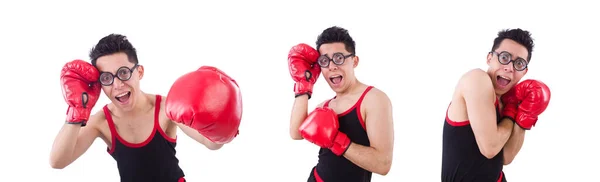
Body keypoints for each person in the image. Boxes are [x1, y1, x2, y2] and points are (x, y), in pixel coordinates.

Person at [49, 34, 242, 182]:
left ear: (139, 72)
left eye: (123, 72)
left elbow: (211, 143)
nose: (117, 84)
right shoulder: (102, 121)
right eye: (106, 78)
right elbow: (57, 162)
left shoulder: (166, 107)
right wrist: (77, 110)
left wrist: (222, 124)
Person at [441, 28, 551, 181]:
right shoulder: (476, 79)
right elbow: (490, 148)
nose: (510, 68)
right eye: (504, 57)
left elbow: (506, 156)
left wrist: (524, 114)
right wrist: (512, 111)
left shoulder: (507, 99)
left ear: (524, 72)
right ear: (489, 58)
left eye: (519, 63)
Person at [288, 26, 394, 182]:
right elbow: (296, 134)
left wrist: (335, 140)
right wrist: (304, 83)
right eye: (325, 61)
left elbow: (383, 164)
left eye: (339, 58)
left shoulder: (373, 99)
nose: (332, 66)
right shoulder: (324, 106)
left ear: (354, 61)